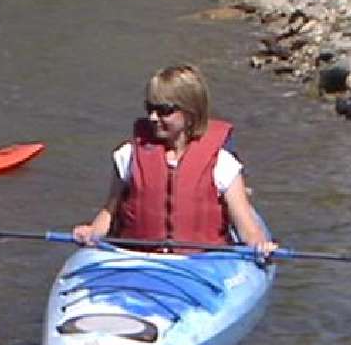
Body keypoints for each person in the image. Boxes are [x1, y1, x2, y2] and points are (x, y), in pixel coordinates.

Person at [72, 65, 278, 258]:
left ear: (190, 113)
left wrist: (260, 245)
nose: (153, 117)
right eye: (150, 108)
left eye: (164, 110)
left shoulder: (222, 164)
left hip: (202, 264)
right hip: (137, 259)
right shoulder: (128, 156)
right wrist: (93, 231)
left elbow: (247, 228)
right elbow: (109, 210)